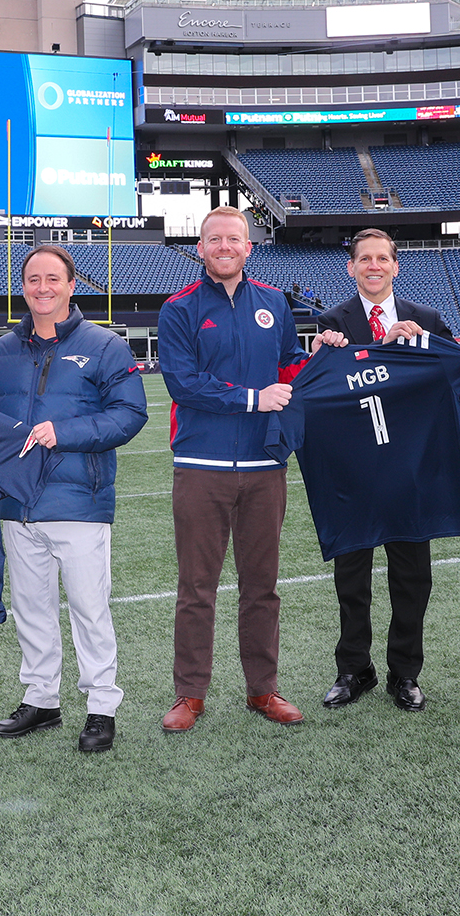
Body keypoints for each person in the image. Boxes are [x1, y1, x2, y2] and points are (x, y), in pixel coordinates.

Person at [0, 246, 147, 753]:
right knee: (30, 607)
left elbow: (131, 414)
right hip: (17, 504)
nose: (42, 287)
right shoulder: (2, 351)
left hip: (79, 502)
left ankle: (101, 706)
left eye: (52, 278)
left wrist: (63, 431)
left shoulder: (104, 345)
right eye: (32, 279)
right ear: (23, 286)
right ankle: (42, 698)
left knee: (89, 608)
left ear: (71, 285)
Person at [156, 205, 311, 733]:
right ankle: (190, 693)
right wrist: (253, 398)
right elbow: (182, 382)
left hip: (265, 466)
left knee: (262, 585)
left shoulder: (274, 302)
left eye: (234, 239)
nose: (224, 247)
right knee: (196, 587)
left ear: (250, 246)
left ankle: (262, 689)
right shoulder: (178, 309)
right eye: (214, 239)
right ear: (200, 248)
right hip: (201, 464)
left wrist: (328, 356)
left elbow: (291, 366)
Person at [308, 228, 460, 712]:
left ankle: (405, 673)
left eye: (382, 259)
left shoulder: (427, 319)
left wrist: (427, 349)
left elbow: (449, 382)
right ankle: (354, 668)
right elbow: (319, 395)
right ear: (350, 267)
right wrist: (324, 354)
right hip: (353, 470)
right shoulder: (330, 322)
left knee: (412, 576)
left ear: (396, 266)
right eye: (364, 259)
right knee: (351, 576)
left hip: (409, 468)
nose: (373, 266)